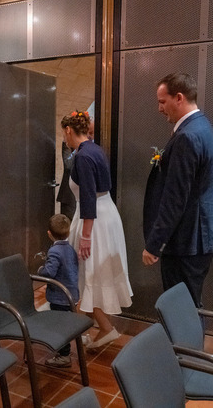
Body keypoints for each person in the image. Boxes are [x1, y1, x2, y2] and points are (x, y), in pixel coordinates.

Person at [142, 72, 213, 308]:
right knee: (190, 305)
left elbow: (175, 199)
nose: (159, 108)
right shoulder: (202, 126)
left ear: (179, 98)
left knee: (180, 310)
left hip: (186, 241)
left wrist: (154, 244)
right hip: (199, 237)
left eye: (162, 101)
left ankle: (185, 336)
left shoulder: (187, 136)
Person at [62, 111, 133, 349]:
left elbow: (88, 197)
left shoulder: (83, 156)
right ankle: (88, 327)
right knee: (93, 273)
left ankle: (102, 328)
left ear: (69, 130)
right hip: (106, 214)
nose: (65, 138)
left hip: (93, 220)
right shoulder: (95, 149)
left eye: (64, 134)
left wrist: (85, 236)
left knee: (88, 274)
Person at [37, 213, 79, 367]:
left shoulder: (55, 251)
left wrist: (40, 270)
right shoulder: (70, 249)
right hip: (71, 294)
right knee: (65, 322)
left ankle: (64, 355)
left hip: (59, 296)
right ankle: (64, 350)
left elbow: (49, 272)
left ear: (49, 234)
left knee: (59, 325)